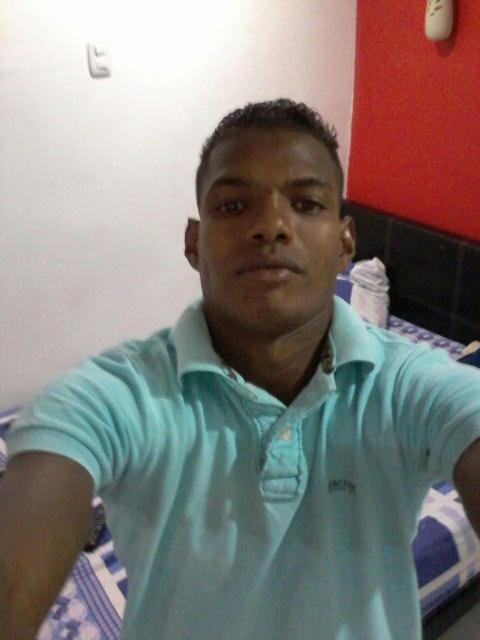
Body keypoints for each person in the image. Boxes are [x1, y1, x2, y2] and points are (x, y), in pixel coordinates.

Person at [1, 98, 480, 640]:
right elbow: (50, 468)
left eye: (306, 203)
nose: (271, 226)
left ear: (346, 241)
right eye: (233, 206)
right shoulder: (118, 395)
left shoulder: (407, 386)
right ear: (193, 242)